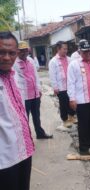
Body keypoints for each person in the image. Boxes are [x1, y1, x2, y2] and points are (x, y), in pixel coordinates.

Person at [0, 32, 34, 190]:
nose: (7, 57)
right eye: (1, 52)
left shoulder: (14, 76)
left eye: (12, 53)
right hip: (4, 160)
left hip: (25, 151)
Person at [13, 41, 52, 139]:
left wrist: (39, 89)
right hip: (24, 96)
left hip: (35, 94)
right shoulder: (14, 63)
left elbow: (36, 75)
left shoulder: (30, 60)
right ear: (17, 51)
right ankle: (26, 138)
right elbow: (15, 81)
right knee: (24, 118)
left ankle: (40, 133)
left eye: (26, 50)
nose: (24, 52)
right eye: (22, 50)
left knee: (36, 116)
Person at [49, 41, 76, 128]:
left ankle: (71, 116)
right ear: (58, 49)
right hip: (61, 87)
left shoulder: (69, 59)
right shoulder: (53, 61)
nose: (66, 51)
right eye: (64, 49)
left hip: (70, 85)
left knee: (72, 102)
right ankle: (65, 120)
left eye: (66, 49)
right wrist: (55, 87)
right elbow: (52, 75)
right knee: (63, 104)